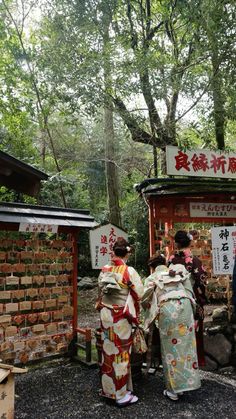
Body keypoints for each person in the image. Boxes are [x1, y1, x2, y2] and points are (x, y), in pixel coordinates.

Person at [142, 254, 201, 401]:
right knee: (186, 346)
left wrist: (149, 318)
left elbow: (144, 299)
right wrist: (191, 312)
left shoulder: (152, 278)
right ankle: (188, 384)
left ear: (152, 267)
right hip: (185, 307)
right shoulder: (178, 272)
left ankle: (173, 391)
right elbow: (189, 291)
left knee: (170, 349)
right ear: (165, 263)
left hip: (167, 310)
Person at [95, 238, 144, 407]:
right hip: (120, 316)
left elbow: (100, 289)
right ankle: (120, 395)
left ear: (114, 252)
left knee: (108, 351)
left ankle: (109, 389)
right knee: (121, 352)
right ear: (128, 253)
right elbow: (139, 293)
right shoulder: (128, 270)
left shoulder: (105, 269)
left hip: (106, 314)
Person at [168, 230, 208, 367]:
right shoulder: (194, 261)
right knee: (192, 333)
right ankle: (193, 362)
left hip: (172, 302)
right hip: (191, 301)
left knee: (176, 333)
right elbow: (201, 282)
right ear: (190, 242)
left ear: (176, 243)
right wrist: (201, 300)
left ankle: (176, 361)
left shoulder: (171, 261)